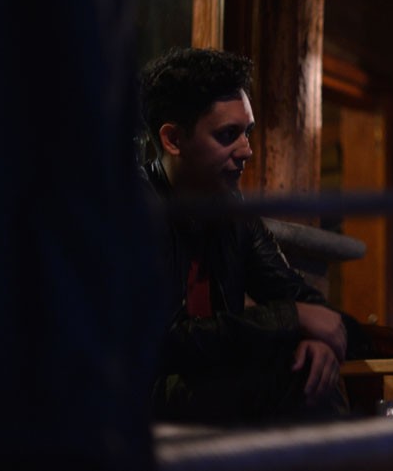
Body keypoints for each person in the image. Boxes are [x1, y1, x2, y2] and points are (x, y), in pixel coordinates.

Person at [140, 47, 360, 423]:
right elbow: (161, 342)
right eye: (228, 135)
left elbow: (299, 297)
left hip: (203, 384)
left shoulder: (231, 211)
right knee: (287, 378)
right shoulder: (132, 208)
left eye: (248, 132)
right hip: (136, 395)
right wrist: (291, 319)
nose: (247, 151)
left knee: (309, 367)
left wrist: (318, 338)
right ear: (173, 139)